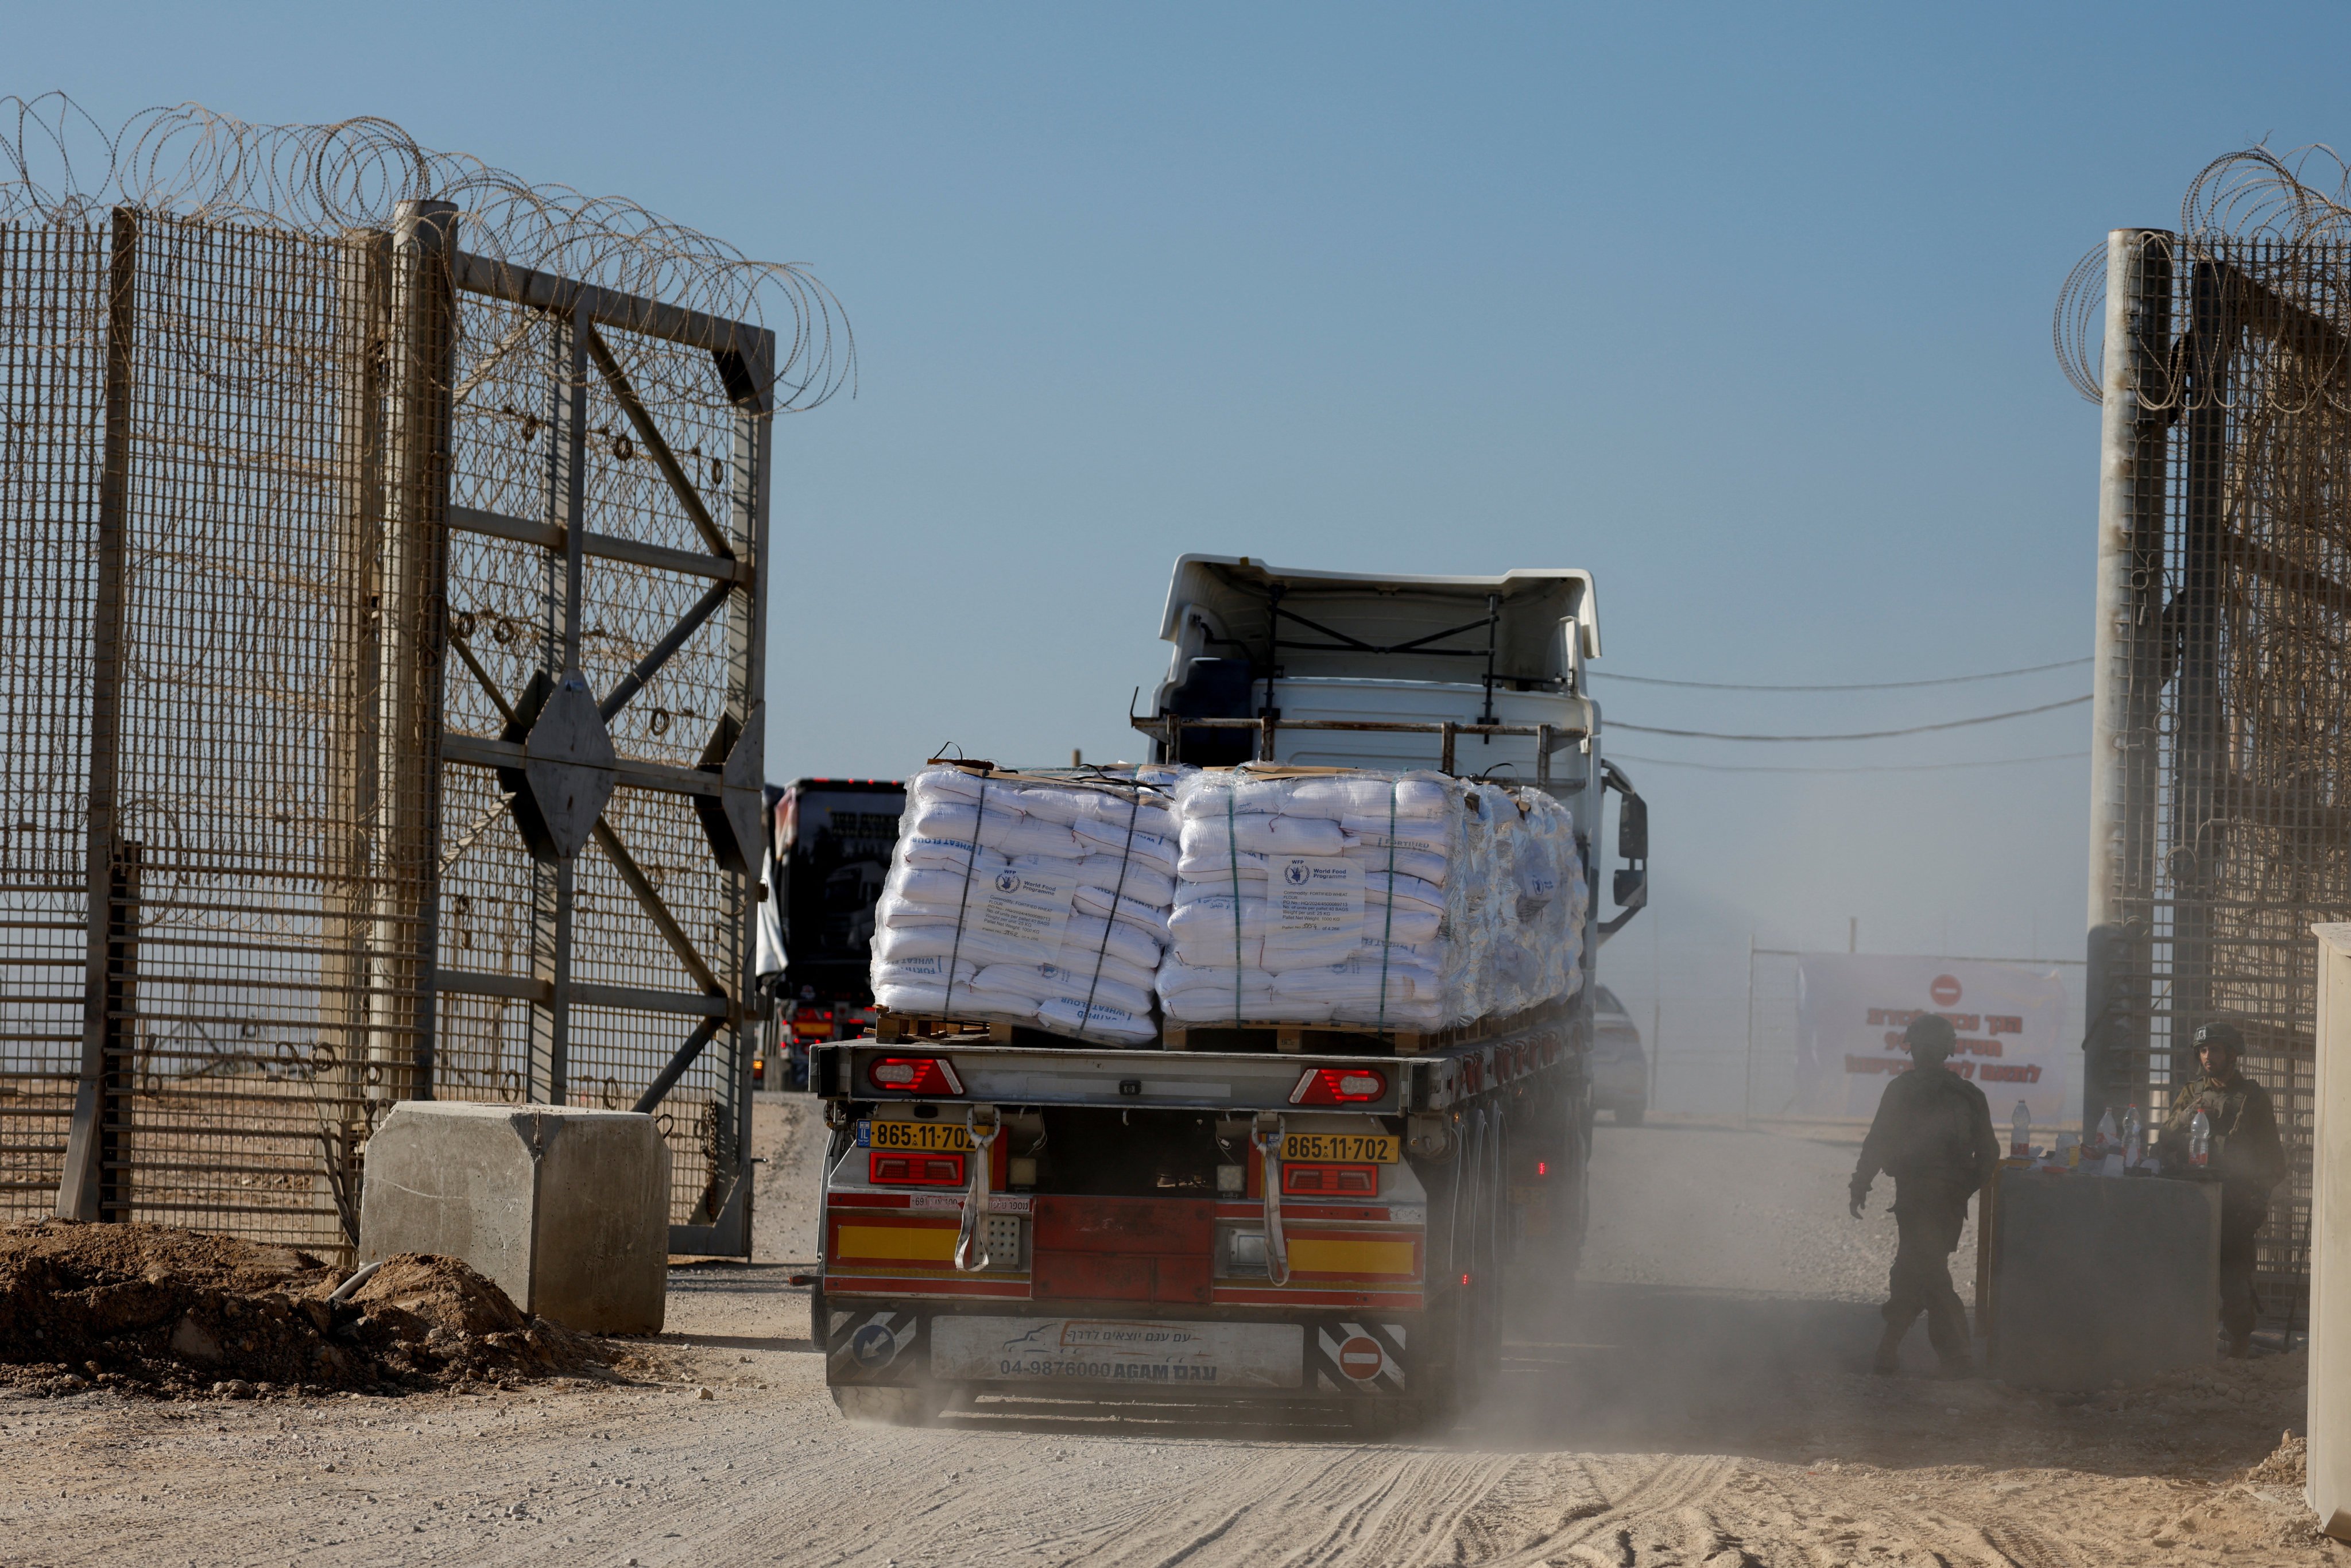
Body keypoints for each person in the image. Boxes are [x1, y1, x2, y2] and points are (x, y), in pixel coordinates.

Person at [1848, 1013, 2002, 1377]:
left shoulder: (1902, 1090)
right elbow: (1990, 1156)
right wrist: (1962, 1189)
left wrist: (1861, 1182)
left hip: (1915, 1198)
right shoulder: (1970, 1096)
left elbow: (1878, 1142)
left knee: (1925, 1271)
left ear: (1914, 1049)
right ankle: (1897, 1350)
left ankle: (1954, 1358)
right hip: (1946, 1203)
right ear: (1948, 1050)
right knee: (1918, 1269)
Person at [2158, 1019, 2286, 1358]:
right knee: (2185, 1275)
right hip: (2193, 1200)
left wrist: (2258, 1200)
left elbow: (2273, 1161)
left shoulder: (2253, 1097)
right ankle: (2183, 1347)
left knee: (2234, 1283)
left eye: (2214, 1049)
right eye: (2202, 1050)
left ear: (2232, 1054)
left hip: (2235, 1202)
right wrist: (2187, 1117)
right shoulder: (2191, 1094)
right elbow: (2164, 1138)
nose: (2207, 1056)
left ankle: (2238, 1350)